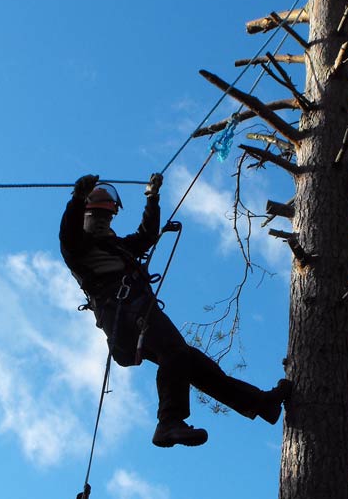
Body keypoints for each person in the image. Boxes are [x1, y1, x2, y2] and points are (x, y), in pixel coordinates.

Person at [59, 172, 290, 448]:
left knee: (194, 364)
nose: (102, 223)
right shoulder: (77, 250)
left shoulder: (118, 246)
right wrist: (76, 199)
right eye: (95, 217)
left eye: (106, 218)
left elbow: (146, 235)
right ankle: (168, 422)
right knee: (176, 353)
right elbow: (68, 232)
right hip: (126, 316)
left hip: (136, 315)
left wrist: (152, 198)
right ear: (84, 216)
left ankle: (261, 404)